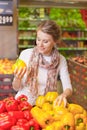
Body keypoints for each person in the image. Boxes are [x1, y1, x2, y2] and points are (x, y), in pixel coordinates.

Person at [12, 20, 72, 107]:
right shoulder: (25, 54)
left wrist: (64, 95)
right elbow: (16, 87)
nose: (40, 44)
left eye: (45, 41)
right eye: (38, 39)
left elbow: (68, 87)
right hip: (23, 104)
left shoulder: (61, 60)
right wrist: (17, 79)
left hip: (44, 107)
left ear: (55, 41)